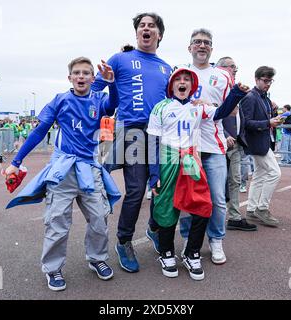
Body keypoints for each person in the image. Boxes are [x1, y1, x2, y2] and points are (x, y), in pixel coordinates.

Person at [4, 57, 120, 291]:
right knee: (57, 222)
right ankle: (53, 269)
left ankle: (97, 258)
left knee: (99, 218)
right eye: (76, 73)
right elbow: (39, 132)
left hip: (89, 168)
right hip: (62, 170)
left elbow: (114, 104)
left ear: (92, 78)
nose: (81, 76)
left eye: (86, 73)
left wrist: (112, 82)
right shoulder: (60, 100)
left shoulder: (99, 99)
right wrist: (16, 161)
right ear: (70, 78)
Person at [147, 67, 248, 280]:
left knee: (203, 206)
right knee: (166, 206)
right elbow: (152, 142)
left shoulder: (197, 108)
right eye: (178, 79)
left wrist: (236, 93)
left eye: (187, 79)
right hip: (168, 159)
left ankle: (191, 252)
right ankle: (166, 252)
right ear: (171, 85)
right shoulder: (161, 107)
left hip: (192, 160)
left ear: (192, 86)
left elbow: (220, 113)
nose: (182, 82)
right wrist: (154, 175)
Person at [91, 12, 172, 273]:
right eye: (141, 26)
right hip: (131, 132)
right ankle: (124, 240)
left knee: (159, 188)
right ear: (136, 33)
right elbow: (95, 91)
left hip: (159, 134)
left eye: (151, 26)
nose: (146, 29)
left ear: (159, 34)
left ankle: (154, 228)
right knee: (136, 190)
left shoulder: (166, 68)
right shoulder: (120, 59)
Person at [177, 29, 237, 264]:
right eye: (197, 42)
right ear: (189, 47)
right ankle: (188, 240)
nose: (202, 46)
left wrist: (209, 104)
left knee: (217, 198)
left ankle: (216, 240)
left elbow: (233, 109)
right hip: (187, 147)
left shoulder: (222, 75)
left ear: (212, 48)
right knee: (187, 198)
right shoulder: (181, 73)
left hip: (213, 146)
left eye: (207, 43)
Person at [217, 56, 257, 232]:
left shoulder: (236, 89)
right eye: (232, 67)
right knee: (216, 183)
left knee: (234, 180)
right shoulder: (216, 88)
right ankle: (212, 218)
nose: (235, 69)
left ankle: (234, 216)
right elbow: (212, 116)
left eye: (235, 67)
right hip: (218, 143)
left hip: (235, 144)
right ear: (221, 68)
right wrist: (225, 135)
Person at [240, 66, 282, 227]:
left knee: (259, 175)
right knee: (274, 173)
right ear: (256, 79)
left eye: (270, 81)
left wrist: (273, 116)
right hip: (257, 142)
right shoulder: (251, 97)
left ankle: (252, 209)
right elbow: (246, 123)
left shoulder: (263, 97)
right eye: (265, 80)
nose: (268, 84)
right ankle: (262, 208)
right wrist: (268, 122)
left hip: (262, 141)